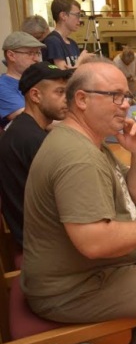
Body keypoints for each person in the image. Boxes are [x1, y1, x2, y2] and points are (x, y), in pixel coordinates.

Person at [21, 59, 136, 344]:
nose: (126, 105)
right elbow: (95, 242)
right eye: (115, 96)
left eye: (126, 96)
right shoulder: (78, 158)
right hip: (71, 288)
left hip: (84, 270)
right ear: (82, 99)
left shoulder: (86, 140)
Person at [0, 62, 73, 249]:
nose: (67, 99)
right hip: (43, 242)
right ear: (35, 96)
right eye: (59, 92)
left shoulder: (24, 128)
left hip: (33, 232)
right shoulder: (33, 140)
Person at [1, 31, 46, 129]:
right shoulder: (3, 87)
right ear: (11, 55)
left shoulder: (38, 81)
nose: (37, 59)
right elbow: (31, 119)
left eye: (37, 53)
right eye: (30, 53)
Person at [42, 0, 92, 69]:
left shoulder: (73, 43)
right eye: (77, 15)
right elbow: (63, 72)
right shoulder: (53, 41)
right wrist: (81, 60)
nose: (80, 19)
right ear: (63, 16)